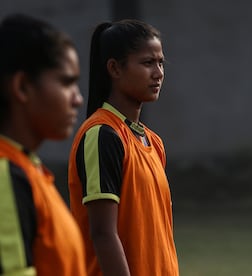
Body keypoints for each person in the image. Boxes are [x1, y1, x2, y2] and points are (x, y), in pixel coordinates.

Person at [68, 19, 179, 276]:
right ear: (115, 69)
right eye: (148, 62)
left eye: (161, 62)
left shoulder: (153, 142)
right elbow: (103, 234)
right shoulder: (102, 134)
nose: (159, 73)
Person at [0, 13, 86, 275]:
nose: (78, 99)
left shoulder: (27, 169)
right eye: (66, 82)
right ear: (23, 87)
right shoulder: (6, 175)